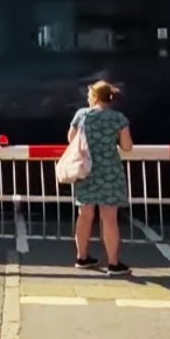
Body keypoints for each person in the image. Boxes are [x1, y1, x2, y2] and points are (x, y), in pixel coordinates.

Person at [67, 80, 133, 276]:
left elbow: (71, 139)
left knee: (85, 215)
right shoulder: (118, 118)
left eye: (89, 95)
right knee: (109, 218)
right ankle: (113, 263)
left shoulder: (81, 115)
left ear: (95, 97)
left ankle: (82, 257)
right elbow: (127, 146)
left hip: (85, 170)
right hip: (110, 172)